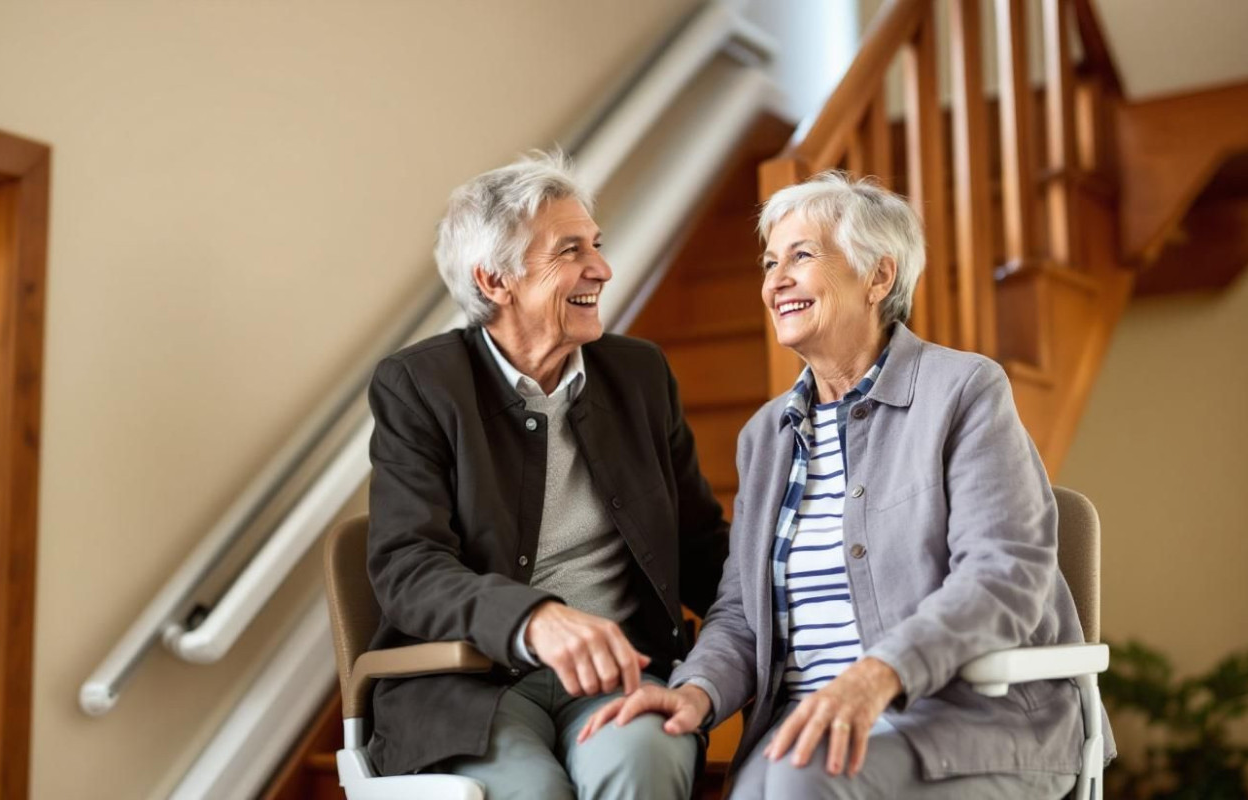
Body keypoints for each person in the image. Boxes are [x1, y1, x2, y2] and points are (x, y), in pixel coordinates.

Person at [579, 171, 1114, 798]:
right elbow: (741, 616)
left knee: (801, 778)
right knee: (772, 780)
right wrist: (694, 693)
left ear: (878, 277)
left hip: (968, 726)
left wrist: (878, 673)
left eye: (801, 256)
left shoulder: (963, 392)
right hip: (807, 736)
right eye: (770, 262)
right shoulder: (766, 437)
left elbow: (1003, 576)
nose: (775, 281)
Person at [364, 151, 729, 799]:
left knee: (644, 761)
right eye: (570, 251)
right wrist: (534, 620)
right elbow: (408, 567)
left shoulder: (640, 375)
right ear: (495, 281)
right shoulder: (420, 385)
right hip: (471, 686)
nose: (602, 269)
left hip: (620, 674)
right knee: (531, 793)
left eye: (596, 245)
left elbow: (700, 544)